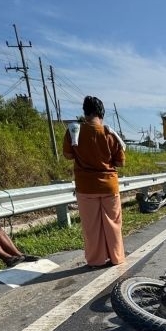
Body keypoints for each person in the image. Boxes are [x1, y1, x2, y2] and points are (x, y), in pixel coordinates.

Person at [62, 96, 126, 268]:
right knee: (112, 224)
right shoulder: (110, 133)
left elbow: (68, 155)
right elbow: (120, 162)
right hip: (109, 185)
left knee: (91, 226)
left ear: (85, 112)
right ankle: (116, 257)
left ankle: (96, 260)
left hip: (86, 186)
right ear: (101, 113)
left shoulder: (74, 131)